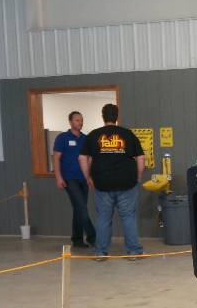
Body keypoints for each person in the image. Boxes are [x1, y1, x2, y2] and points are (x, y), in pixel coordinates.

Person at [79, 104, 145, 260]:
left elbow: (82, 158)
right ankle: (134, 251)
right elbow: (141, 158)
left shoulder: (93, 135)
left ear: (103, 117)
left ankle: (100, 252)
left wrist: (88, 177)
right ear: (117, 116)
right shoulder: (128, 134)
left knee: (103, 217)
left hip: (102, 183)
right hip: (127, 182)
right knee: (128, 216)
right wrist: (138, 177)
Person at [52, 111, 95, 248]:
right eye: (77, 120)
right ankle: (93, 237)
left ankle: (77, 239)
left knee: (78, 209)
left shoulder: (86, 139)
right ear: (70, 122)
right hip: (70, 179)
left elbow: (89, 159)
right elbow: (56, 158)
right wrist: (58, 177)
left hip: (83, 179)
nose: (80, 123)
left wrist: (89, 177)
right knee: (82, 208)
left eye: (81, 120)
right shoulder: (62, 138)